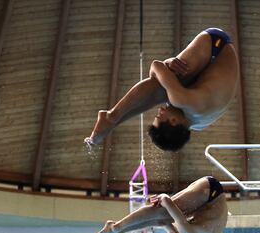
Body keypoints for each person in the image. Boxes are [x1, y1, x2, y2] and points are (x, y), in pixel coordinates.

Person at [84, 28, 239, 151]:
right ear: (173, 121)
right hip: (215, 46)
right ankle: (112, 117)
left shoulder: (196, 124)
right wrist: (167, 64)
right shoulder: (185, 101)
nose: (159, 111)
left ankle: (113, 121)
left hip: (207, 70)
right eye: (160, 116)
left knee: (165, 90)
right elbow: (156, 66)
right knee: (162, 89)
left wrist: (166, 67)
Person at [91, 175, 228, 233]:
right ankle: (116, 227)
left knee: (161, 218)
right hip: (211, 191)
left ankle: (115, 231)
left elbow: (162, 223)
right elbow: (165, 200)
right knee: (162, 212)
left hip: (206, 200)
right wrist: (160, 197)